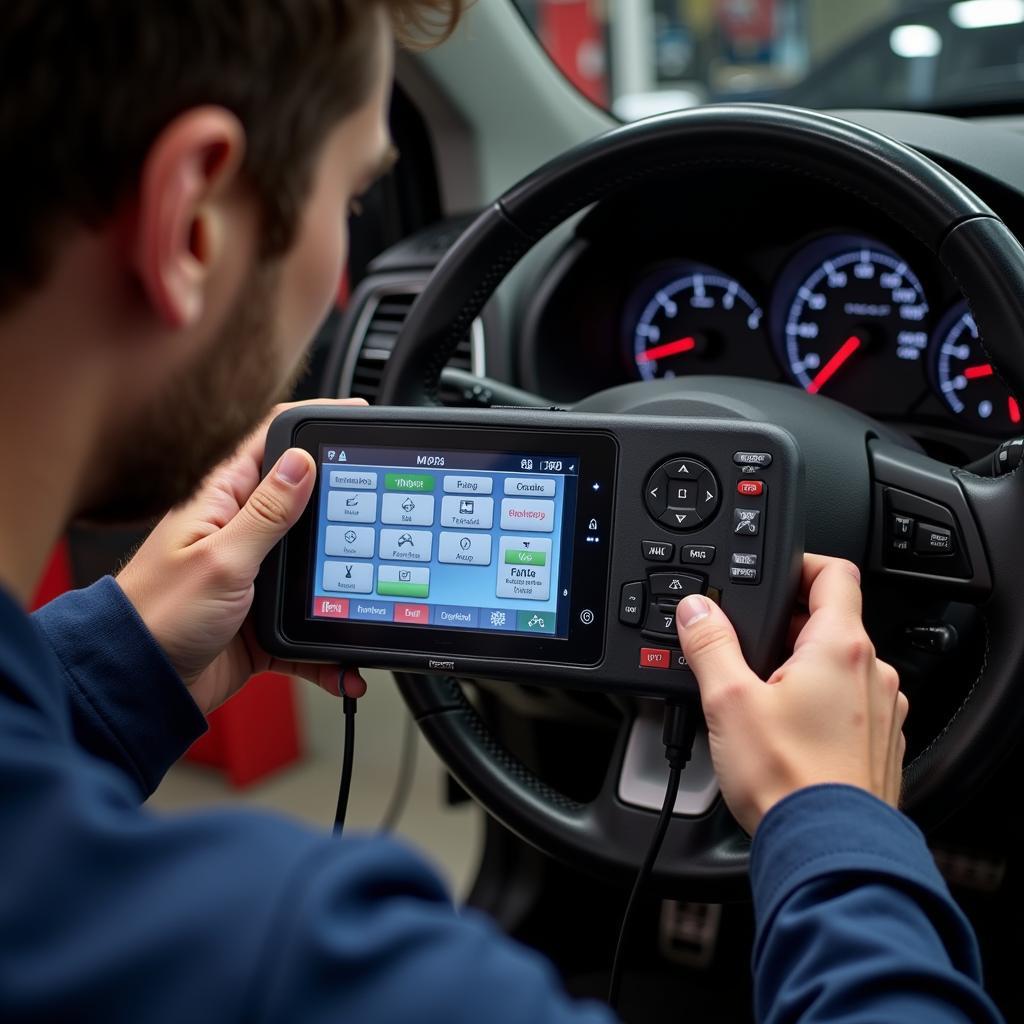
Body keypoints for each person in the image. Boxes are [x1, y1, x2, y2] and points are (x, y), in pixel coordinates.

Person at [0, 2, 1004, 1022]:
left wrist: (112, 665)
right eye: (350, 198)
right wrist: (833, 821)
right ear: (192, 222)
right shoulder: (307, 970)